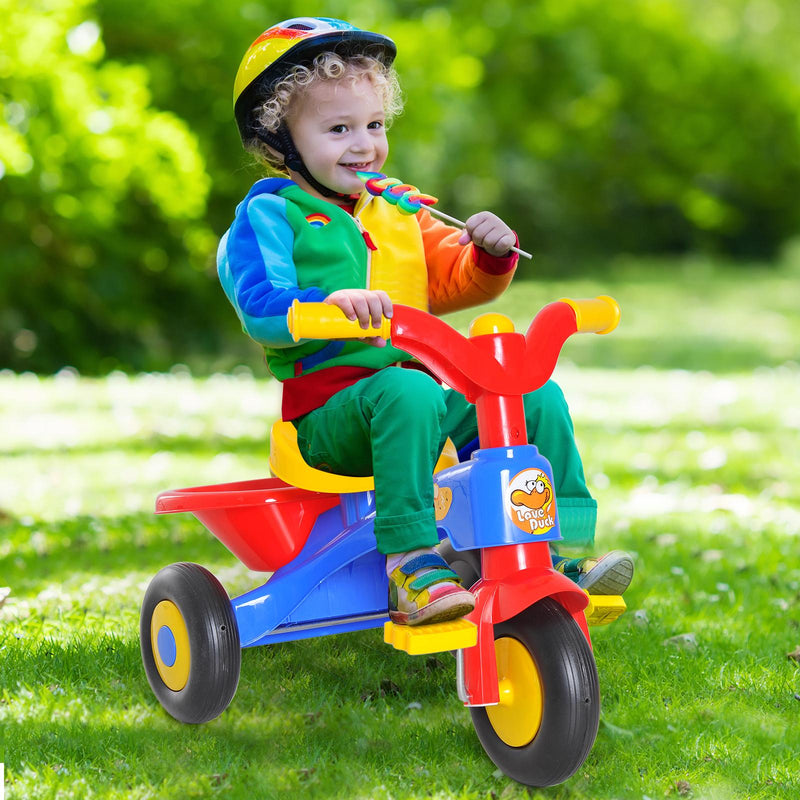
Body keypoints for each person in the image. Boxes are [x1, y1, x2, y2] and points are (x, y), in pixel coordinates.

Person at [219, 17, 633, 625]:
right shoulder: (271, 214)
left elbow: (456, 278)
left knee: (530, 395)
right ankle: (410, 563)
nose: (364, 145)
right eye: (339, 129)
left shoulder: (395, 212)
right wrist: (324, 306)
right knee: (407, 390)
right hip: (330, 416)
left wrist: (487, 252)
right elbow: (260, 301)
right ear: (280, 138)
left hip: (417, 401)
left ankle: (546, 550)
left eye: (374, 125)